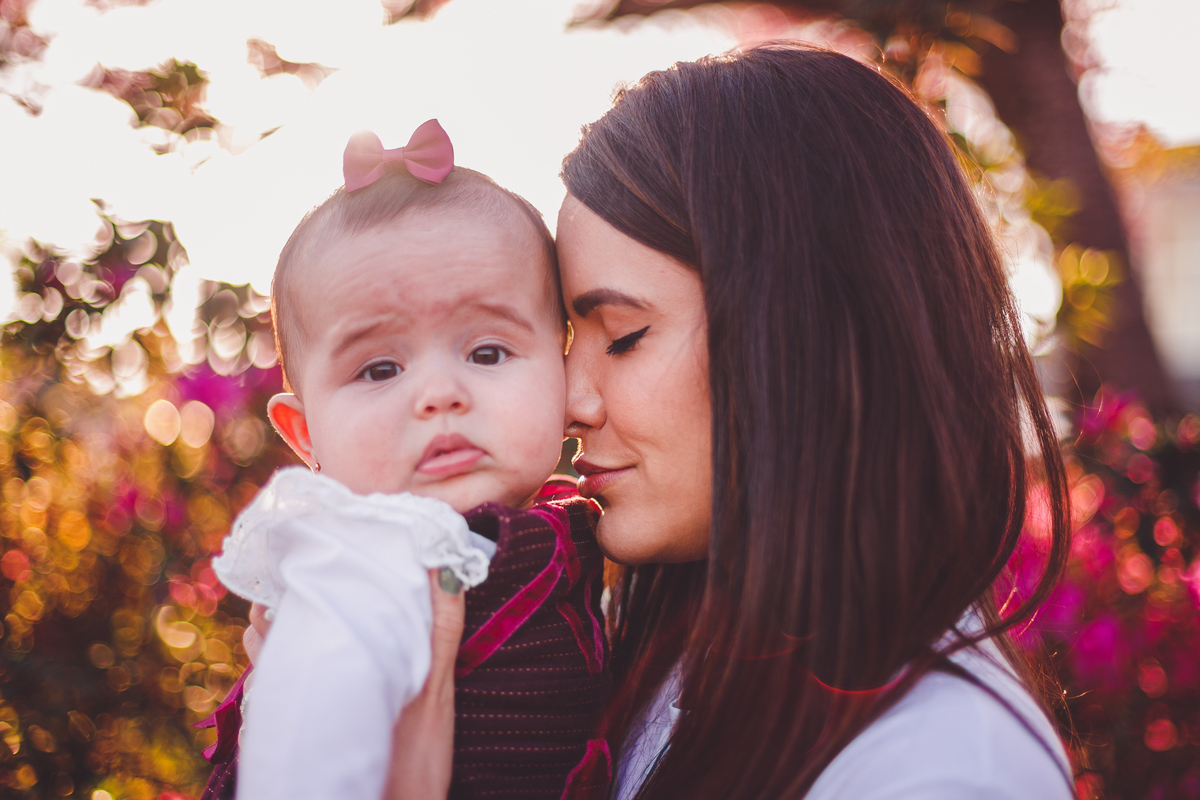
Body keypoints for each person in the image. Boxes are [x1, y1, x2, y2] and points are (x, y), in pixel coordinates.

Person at [253, 45, 1077, 799]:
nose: (573, 399)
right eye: (570, 342)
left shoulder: (940, 767)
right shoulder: (652, 650)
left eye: (625, 336)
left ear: (803, 333)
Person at [202, 120, 611, 800]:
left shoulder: (580, 523)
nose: (440, 395)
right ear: (306, 436)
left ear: (564, 372)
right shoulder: (360, 562)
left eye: (487, 353)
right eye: (380, 368)